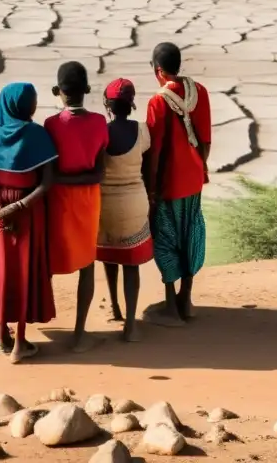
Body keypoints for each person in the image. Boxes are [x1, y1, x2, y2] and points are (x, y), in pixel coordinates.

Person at [0, 82, 58, 364]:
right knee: (23, 271)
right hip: (27, 211)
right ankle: (20, 342)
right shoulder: (38, 135)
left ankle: (1, 338)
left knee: (1, 270)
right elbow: (46, 183)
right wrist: (19, 206)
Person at [145, 42, 212, 327]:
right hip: (193, 179)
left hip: (170, 184)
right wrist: (199, 167)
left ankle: (171, 304)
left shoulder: (158, 101)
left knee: (166, 239)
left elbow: (156, 152)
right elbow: (206, 140)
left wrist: (151, 189)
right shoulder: (200, 92)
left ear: (158, 70)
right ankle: (187, 298)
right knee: (191, 233)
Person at [44, 61, 109, 353]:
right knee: (86, 265)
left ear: (57, 91)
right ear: (87, 90)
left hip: (56, 203)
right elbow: (98, 173)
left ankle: (30, 322)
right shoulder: (98, 123)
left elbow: (49, 169)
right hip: (87, 203)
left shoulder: (51, 124)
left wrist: (58, 178)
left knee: (46, 262)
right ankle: (80, 333)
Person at [97, 78, 154, 342]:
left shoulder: (102, 132)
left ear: (108, 105)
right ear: (131, 103)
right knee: (131, 265)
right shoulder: (142, 131)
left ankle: (114, 307)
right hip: (134, 202)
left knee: (110, 256)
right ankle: (130, 325)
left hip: (105, 203)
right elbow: (147, 167)